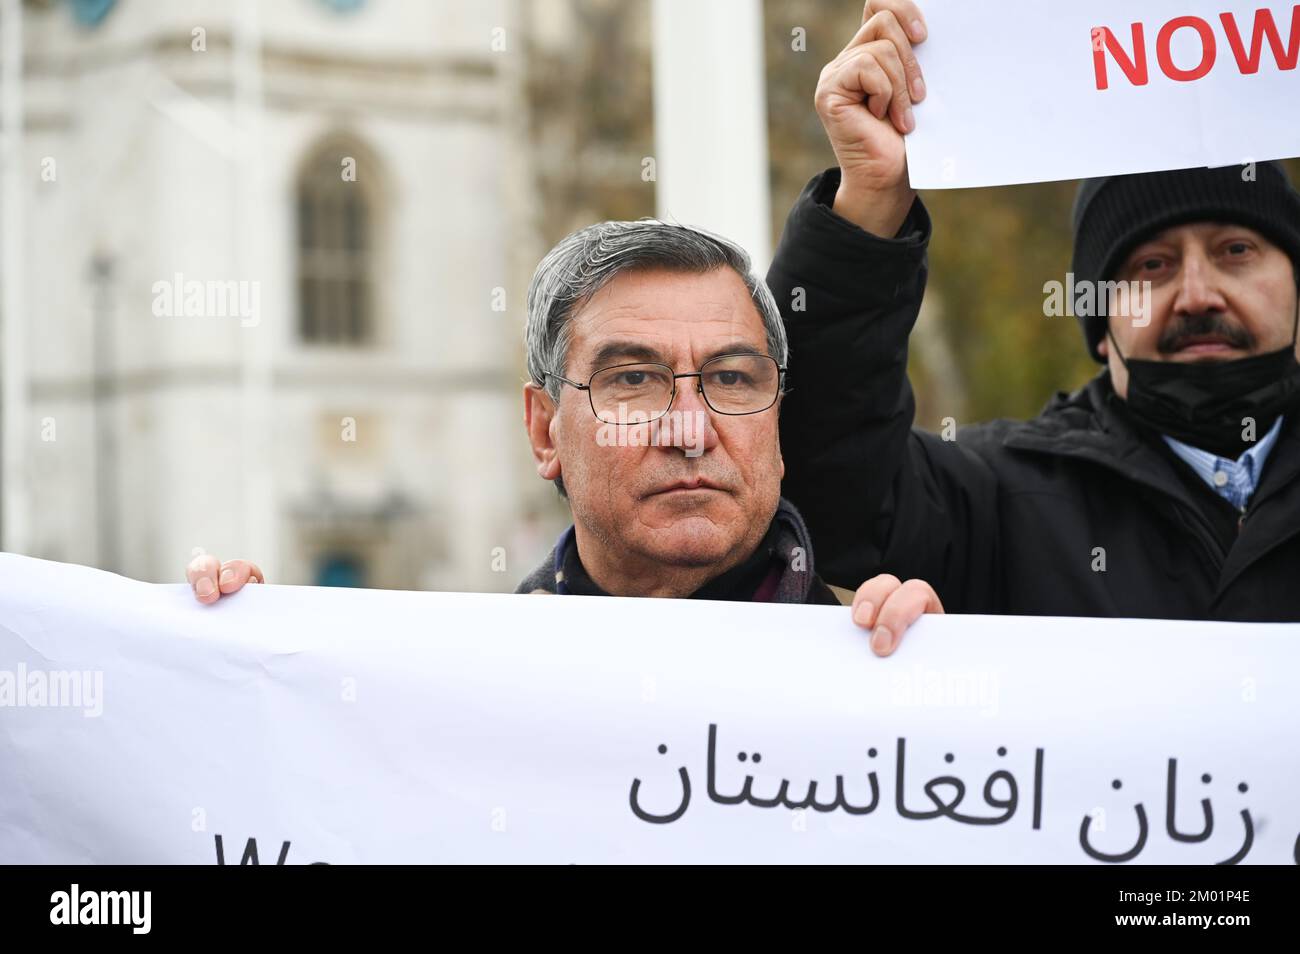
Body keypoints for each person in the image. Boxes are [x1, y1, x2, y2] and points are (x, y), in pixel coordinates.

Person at [188, 218, 946, 654]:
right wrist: (250, 670)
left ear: (779, 427)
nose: (690, 430)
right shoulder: (453, 692)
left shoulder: (884, 668)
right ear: (544, 430)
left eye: (731, 379)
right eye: (633, 380)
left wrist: (941, 703)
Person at [769, 0, 1300, 619]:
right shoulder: (998, 501)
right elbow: (826, 476)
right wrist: (869, 199)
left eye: (1236, 251)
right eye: (1152, 266)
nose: (1198, 294)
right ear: (1100, 323)